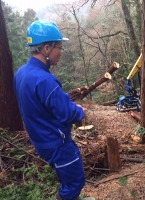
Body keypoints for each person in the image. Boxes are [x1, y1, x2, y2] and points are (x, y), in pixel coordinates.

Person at [14, 20, 94, 200]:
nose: (61, 52)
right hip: (57, 143)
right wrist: (80, 111)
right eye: (59, 47)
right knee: (75, 181)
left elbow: (43, 104)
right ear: (46, 48)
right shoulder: (45, 80)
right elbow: (68, 113)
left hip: (41, 139)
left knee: (67, 178)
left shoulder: (21, 73)